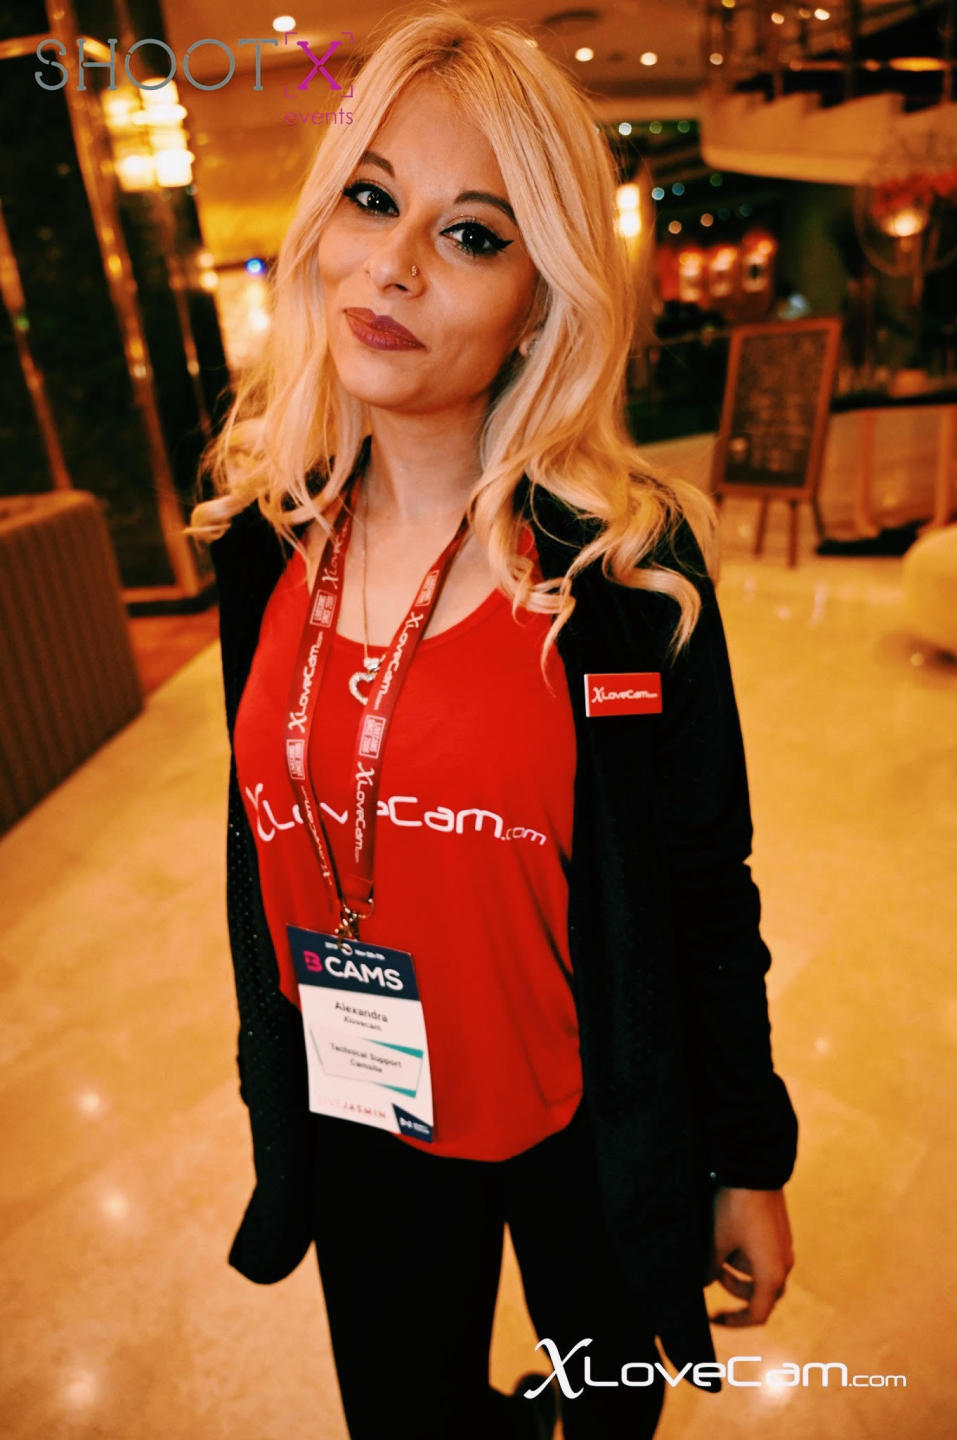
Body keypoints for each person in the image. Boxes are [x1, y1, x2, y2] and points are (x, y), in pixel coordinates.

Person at [189, 9, 798, 1438]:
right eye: (371, 198)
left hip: (588, 1111)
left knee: (609, 1410)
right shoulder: (262, 539)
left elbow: (702, 883)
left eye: (471, 234)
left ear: (541, 299)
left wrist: (745, 1156)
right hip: (365, 1099)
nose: (393, 266)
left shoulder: (623, 574)